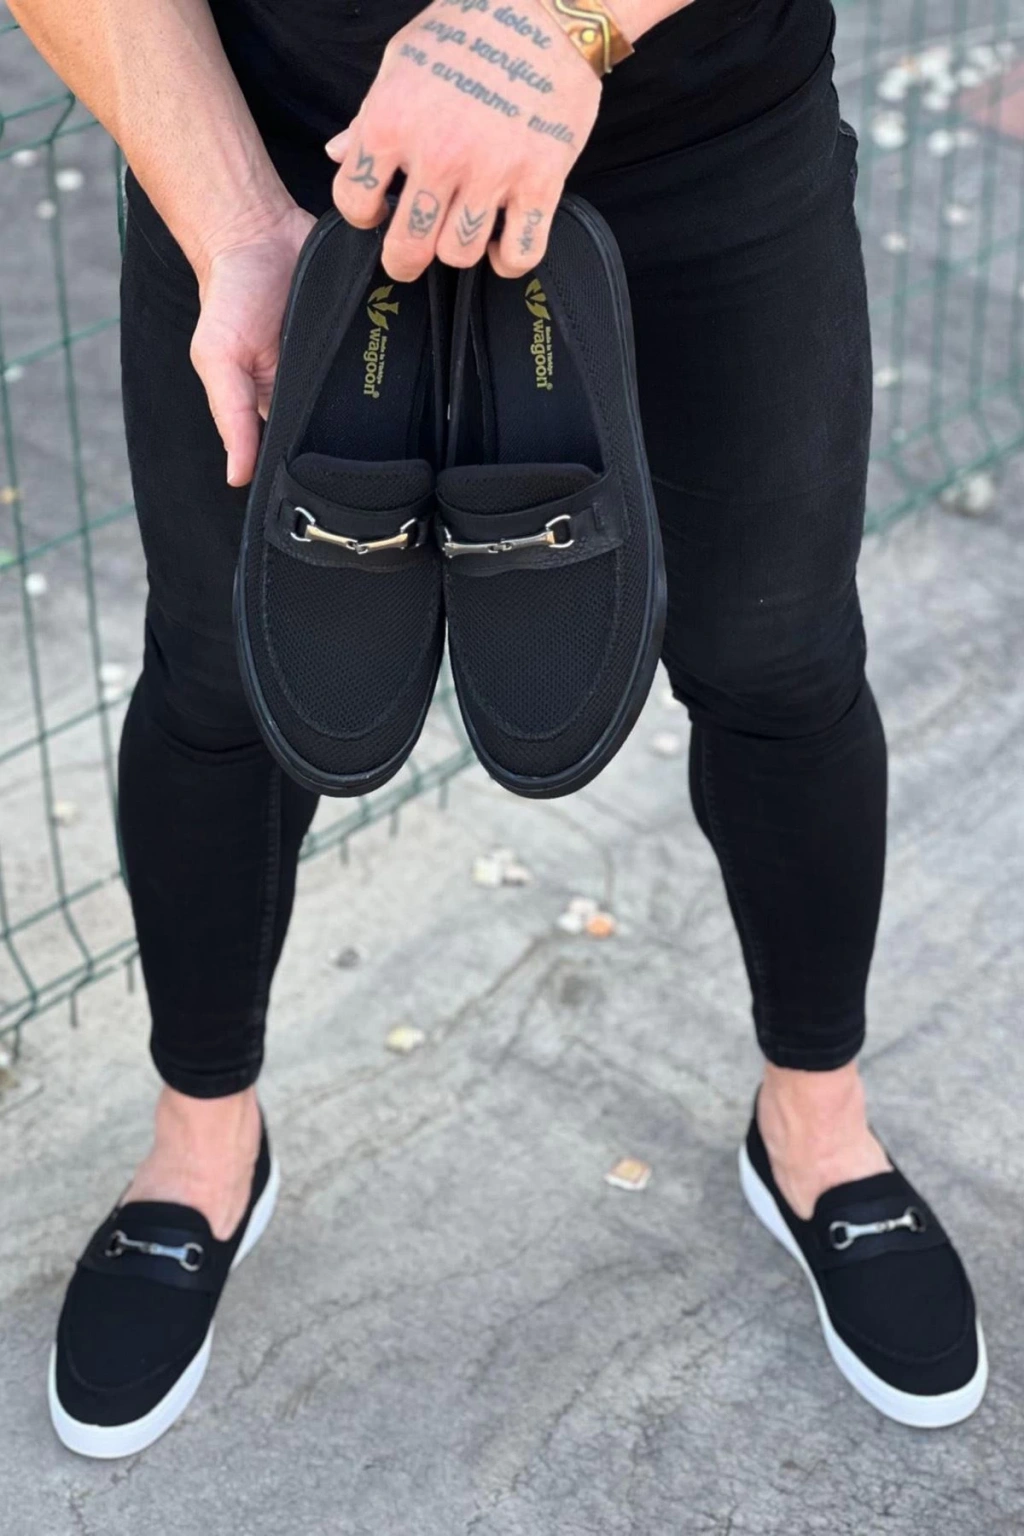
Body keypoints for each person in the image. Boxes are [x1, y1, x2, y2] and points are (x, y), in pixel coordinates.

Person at [13, 0, 986, 1455]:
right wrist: (233, 224)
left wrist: (563, 25)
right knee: (224, 677)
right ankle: (200, 1151)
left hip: (707, 149)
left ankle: (817, 1128)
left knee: (777, 657)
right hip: (271, 162)